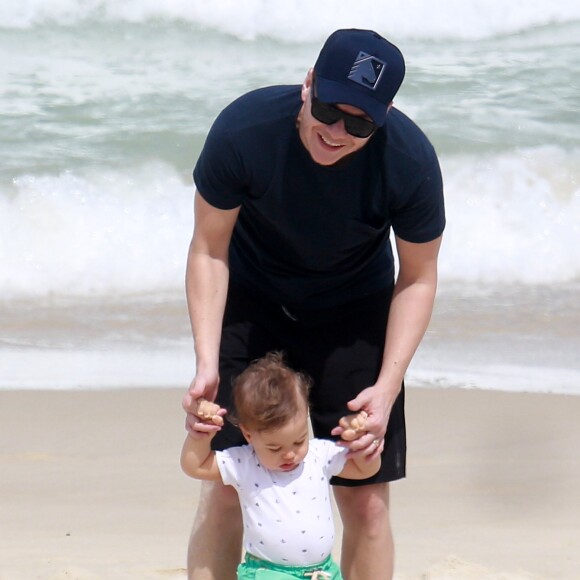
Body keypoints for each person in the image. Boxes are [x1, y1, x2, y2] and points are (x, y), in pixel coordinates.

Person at [183, 28, 445, 580]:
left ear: (385, 116)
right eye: (328, 109)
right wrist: (207, 363)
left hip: (353, 315)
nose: (337, 131)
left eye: (360, 123)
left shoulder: (409, 161)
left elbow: (418, 278)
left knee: (365, 499)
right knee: (230, 490)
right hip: (253, 306)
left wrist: (388, 387)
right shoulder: (244, 131)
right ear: (308, 85)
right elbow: (210, 249)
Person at [181, 352, 380, 580]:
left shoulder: (319, 454)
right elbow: (194, 466)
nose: (289, 454)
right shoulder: (244, 463)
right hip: (269, 573)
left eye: (299, 440)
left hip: (323, 572)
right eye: (274, 448)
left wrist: (360, 439)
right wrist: (202, 434)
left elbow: (366, 471)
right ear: (248, 434)